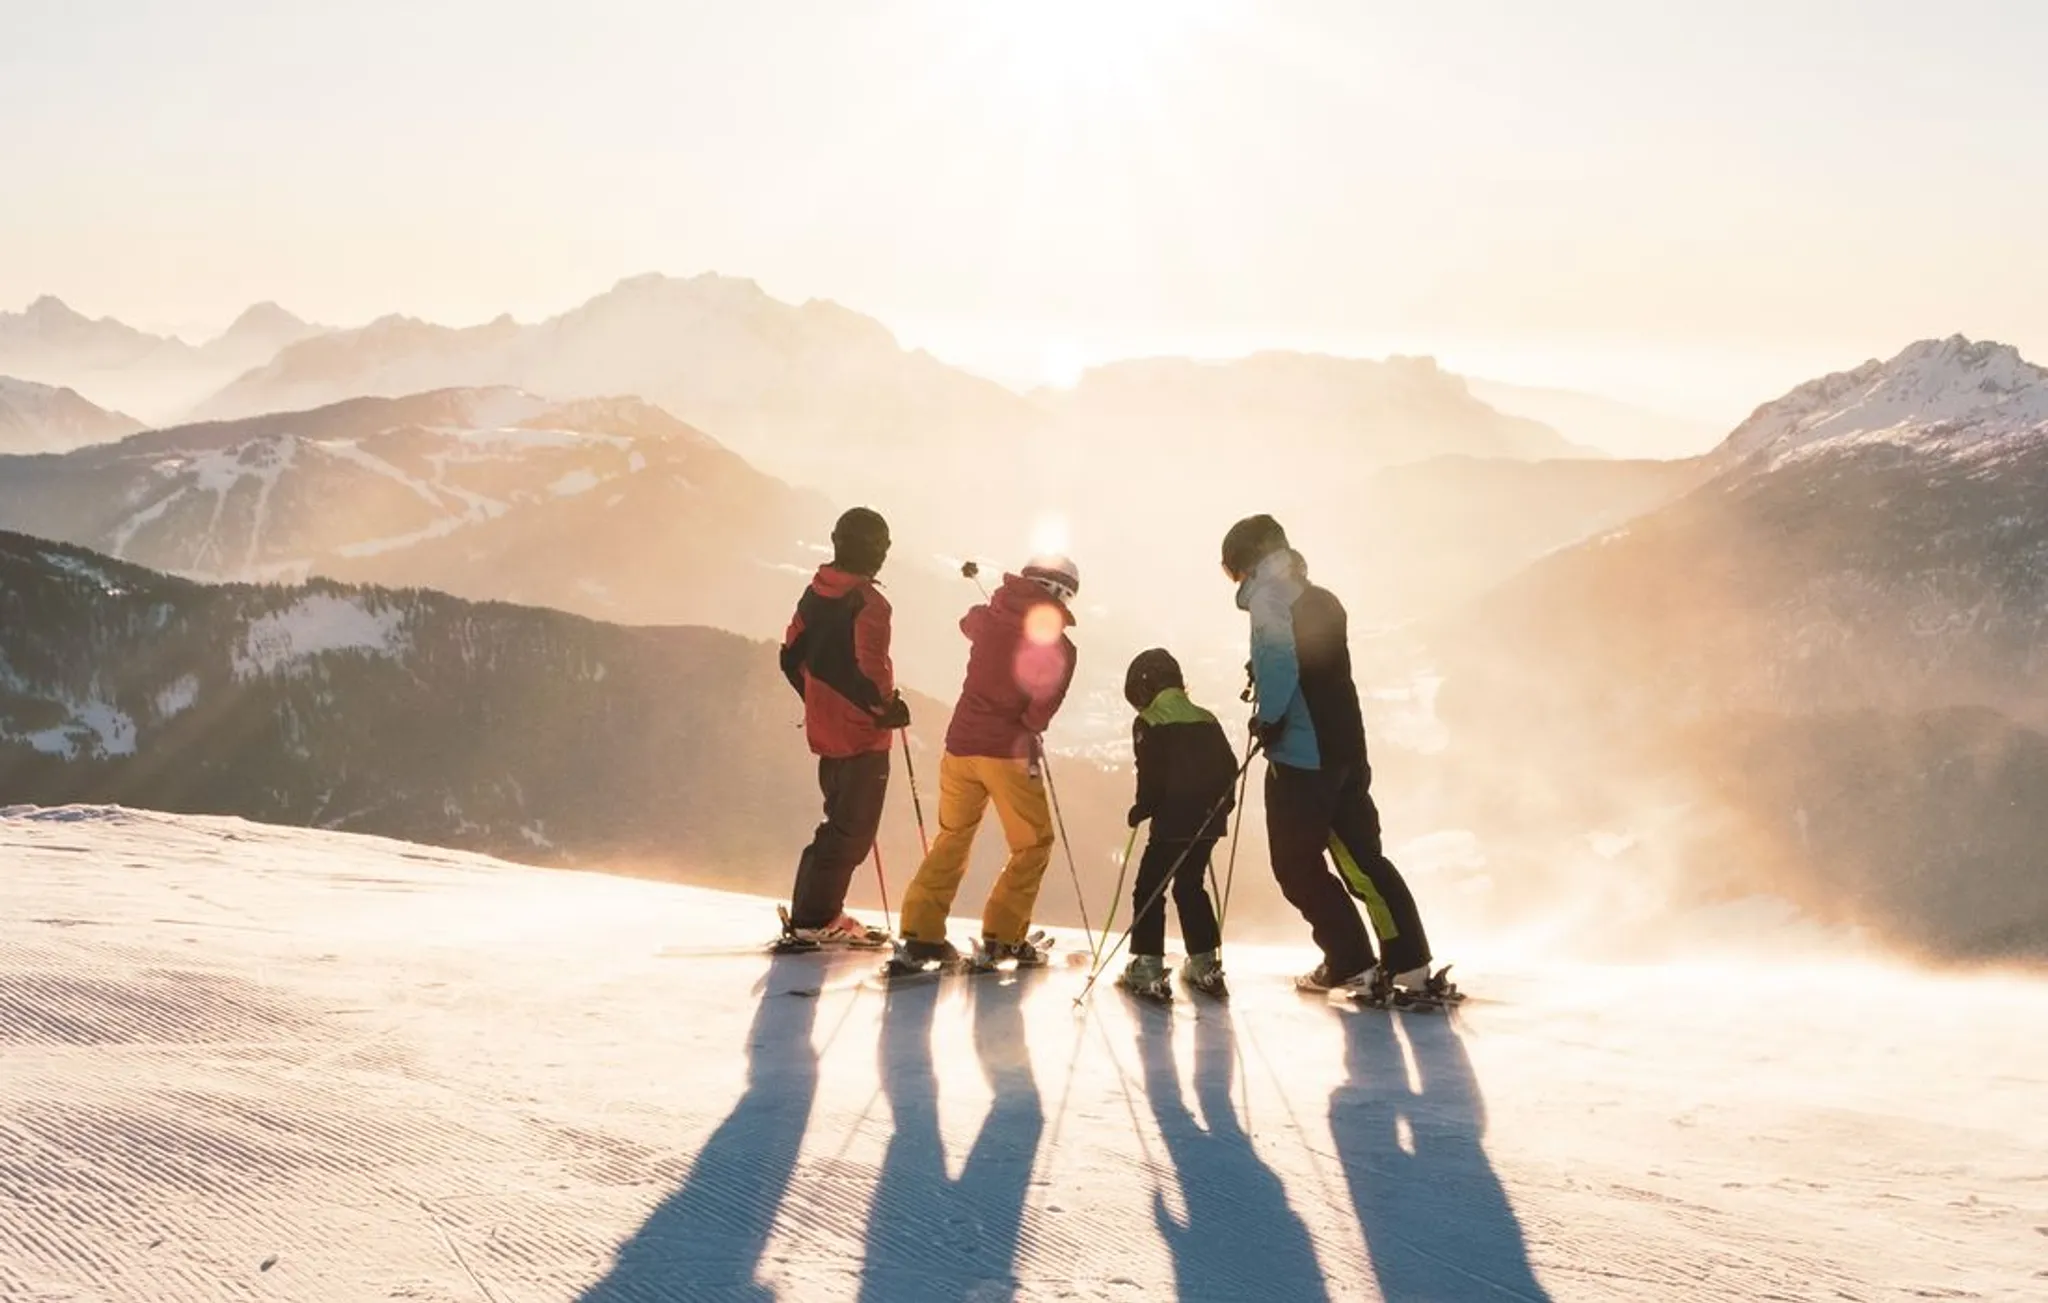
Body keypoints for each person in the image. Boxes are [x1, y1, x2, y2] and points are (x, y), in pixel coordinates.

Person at [1221, 513, 1442, 997]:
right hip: (1345, 746)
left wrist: (1271, 716)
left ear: (1247, 561)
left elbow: (1280, 657)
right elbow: (1316, 662)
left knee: (1296, 865)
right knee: (1363, 858)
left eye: (1232, 570)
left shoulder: (1269, 596)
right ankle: (1409, 965)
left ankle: (1350, 962)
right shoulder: (1319, 597)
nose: (1235, 582)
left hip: (1303, 755)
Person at [893, 556, 1081, 971]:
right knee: (1033, 844)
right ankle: (1004, 936)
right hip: (1007, 755)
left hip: (959, 746)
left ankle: (921, 932)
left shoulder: (988, 618)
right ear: (1062, 594)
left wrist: (998, 613)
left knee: (953, 836)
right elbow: (1038, 714)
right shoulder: (1059, 646)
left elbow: (968, 622)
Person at [777, 506, 910, 945]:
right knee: (852, 833)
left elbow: (790, 654)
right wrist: (887, 708)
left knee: (836, 825)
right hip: (862, 737)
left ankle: (813, 915)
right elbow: (872, 669)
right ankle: (816, 919)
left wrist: (817, 698)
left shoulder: (816, 592)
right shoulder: (870, 603)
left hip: (825, 730)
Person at [1117, 648, 1240, 1000]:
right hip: (1208, 821)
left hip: (1172, 820)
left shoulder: (1149, 721)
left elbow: (1152, 775)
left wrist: (1143, 808)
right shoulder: (1207, 718)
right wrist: (1221, 809)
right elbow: (1229, 769)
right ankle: (1204, 964)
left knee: (1149, 888)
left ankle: (1148, 967)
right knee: (1190, 886)